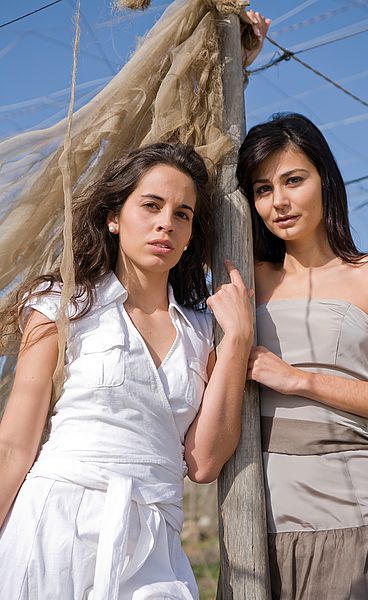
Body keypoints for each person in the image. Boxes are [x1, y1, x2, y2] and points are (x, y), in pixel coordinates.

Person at [0, 142, 255, 599]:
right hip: (57, 522)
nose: (166, 223)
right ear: (114, 218)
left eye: (183, 214)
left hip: (156, 537)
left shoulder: (203, 333)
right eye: (151, 205)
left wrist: (236, 341)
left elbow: (204, 463)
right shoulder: (63, 305)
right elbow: (14, 446)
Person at [236, 112, 368, 600]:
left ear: (325, 180)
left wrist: (301, 380)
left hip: (364, 521)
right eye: (263, 189)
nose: (278, 201)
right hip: (259, 535)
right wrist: (236, 64)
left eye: (293, 180)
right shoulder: (245, 276)